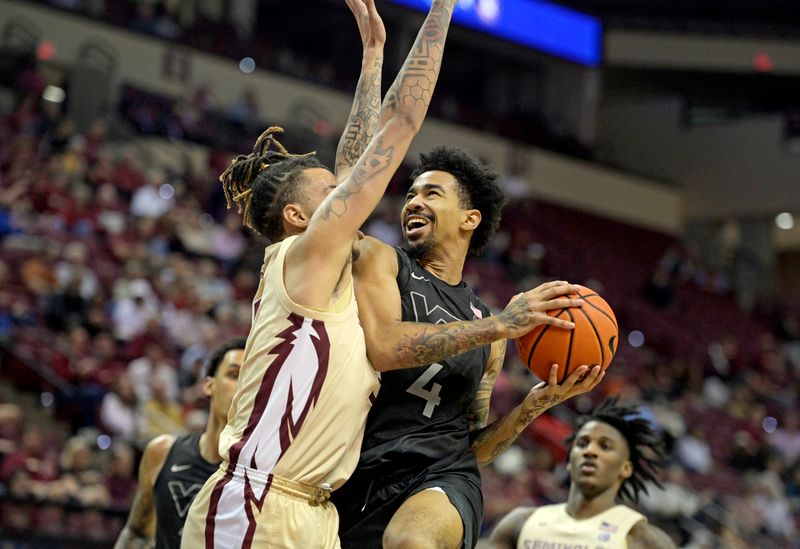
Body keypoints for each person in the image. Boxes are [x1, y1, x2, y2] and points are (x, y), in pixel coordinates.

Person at [181, 1, 461, 546]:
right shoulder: (303, 256)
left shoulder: (333, 264)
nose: (346, 193)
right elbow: (401, 124)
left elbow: (359, 162)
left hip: (314, 511)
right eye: (330, 191)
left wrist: (373, 56)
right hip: (255, 504)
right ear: (299, 217)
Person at [332, 143, 604, 548]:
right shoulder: (382, 260)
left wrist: (532, 406)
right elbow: (385, 345)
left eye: (431, 194)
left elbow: (474, 448)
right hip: (359, 476)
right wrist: (500, 325)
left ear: (469, 218)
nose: (414, 203)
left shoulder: (488, 329)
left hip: (443, 475)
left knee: (411, 541)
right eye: (411, 195)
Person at [486, 398, 676, 549]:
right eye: (582, 443)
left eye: (605, 446)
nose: (590, 451)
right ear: (569, 461)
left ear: (626, 468)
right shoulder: (521, 522)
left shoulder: (643, 539)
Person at [115, 337, 246, 549]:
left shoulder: (258, 475)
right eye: (234, 375)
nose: (242, 387)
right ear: (208, 385)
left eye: (251, 381)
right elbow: (136, 531)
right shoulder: (163, 451)